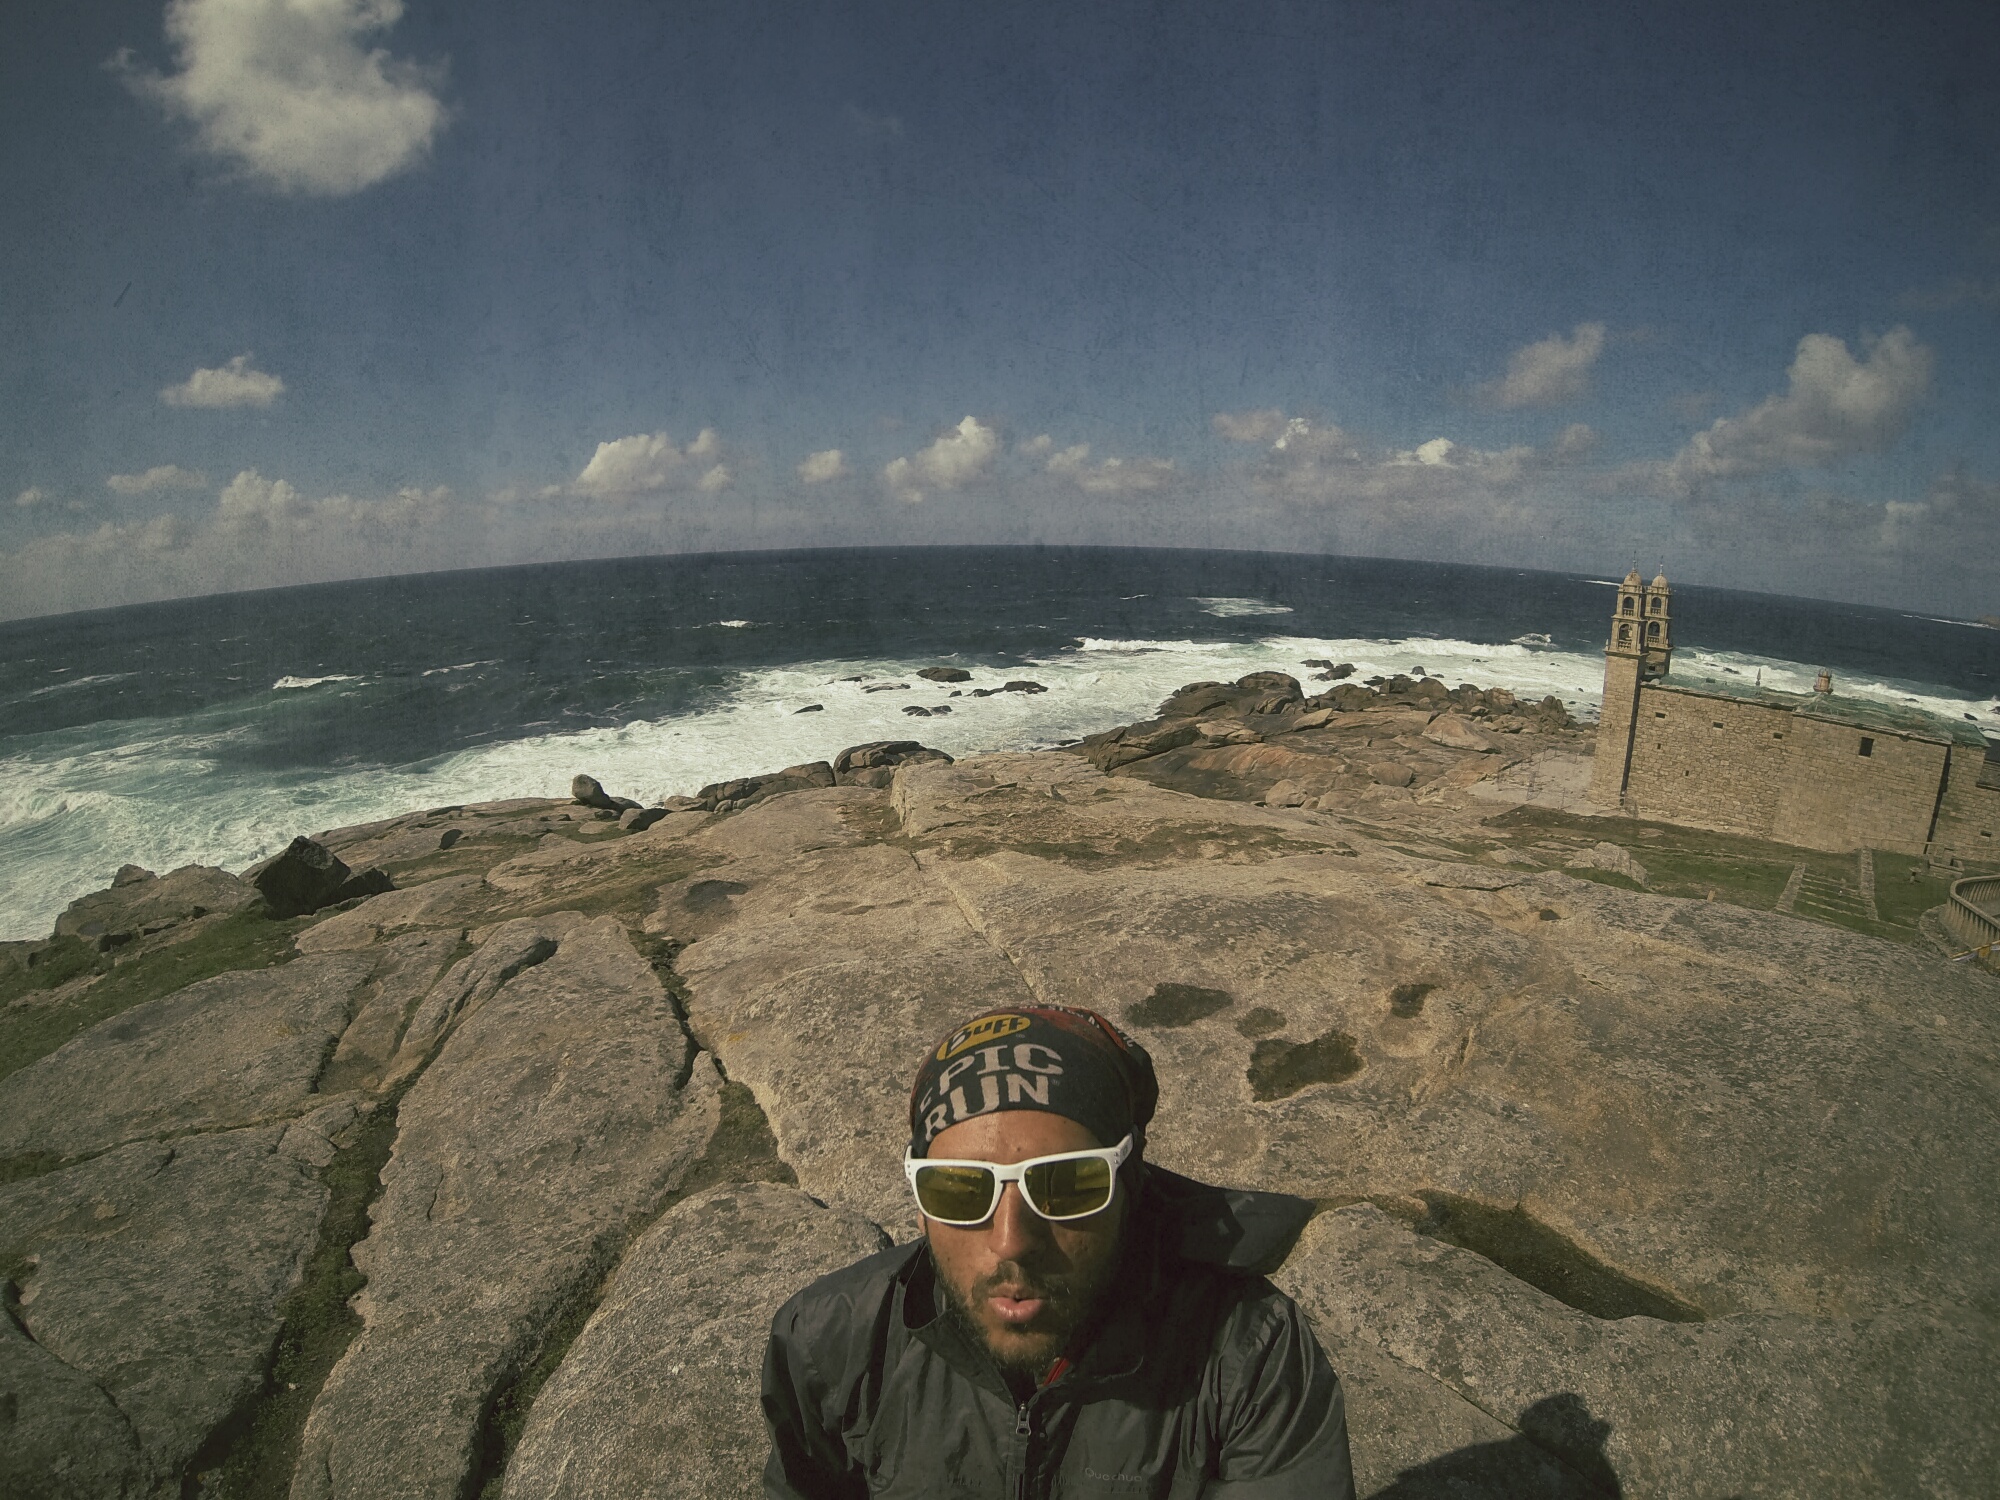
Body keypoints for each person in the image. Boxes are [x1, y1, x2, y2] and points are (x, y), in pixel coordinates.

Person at [761, 1004, 1355, 1498]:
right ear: (920, 1201)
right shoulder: (828, 1346)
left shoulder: (1248, 1357)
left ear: (1131, 1185)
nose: (1011, 1240)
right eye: (960, 1189)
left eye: (1067, 1185)